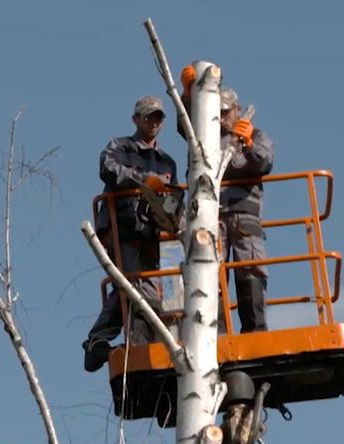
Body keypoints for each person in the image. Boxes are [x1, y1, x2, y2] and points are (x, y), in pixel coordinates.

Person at [82, 96, 182, 372]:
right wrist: (142, 182)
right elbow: (108, 169)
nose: (153, 123)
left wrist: (173, 216)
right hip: (122, 228)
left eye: (158, 118)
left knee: (140, 287)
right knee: (133, 285)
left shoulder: (167, 162)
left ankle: (100, 341)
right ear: (136, 119)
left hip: (151, 233)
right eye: (148, 117)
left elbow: (173, 197)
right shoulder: (120, 147)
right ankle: (131, 345)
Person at [180, 66, 274, 332]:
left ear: (237, 109)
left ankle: (254, 330)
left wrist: (249, 144)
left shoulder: (256, 136)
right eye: (217, 113)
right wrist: (188, 97)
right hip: (212, 214)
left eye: (225, 112)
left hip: (245, 214)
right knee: (211, 269)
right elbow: (185, 125)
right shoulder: (207, 138)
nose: (222, 119)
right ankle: (214, 332)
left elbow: (264, 163)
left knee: (250, 267)